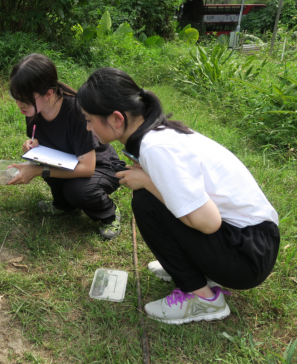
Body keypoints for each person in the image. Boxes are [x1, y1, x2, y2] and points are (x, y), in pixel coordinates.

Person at [76, 67, 280, 324]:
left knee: (146, 202)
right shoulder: (158, 133)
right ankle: (192, 267)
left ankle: (204, 300)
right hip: (253, 240)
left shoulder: (157, 147)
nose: (87, 127)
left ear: (116, 119)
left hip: (247, 256)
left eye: (88, 119)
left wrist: (149, 183)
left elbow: (208, 222)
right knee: (149, 196)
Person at [7, 54, 126, 239]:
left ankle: (109, 213)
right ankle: (65, 206)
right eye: (15, 97)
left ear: (48, 94)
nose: (19, 104)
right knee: (49, 166)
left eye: (24, 99)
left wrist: (38, 170)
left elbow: (87, 168)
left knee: (77, 190)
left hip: (101, 167)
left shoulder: (76, 111)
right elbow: (46, 138)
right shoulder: (33, 110)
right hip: (69, 160)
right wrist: (34, 145)